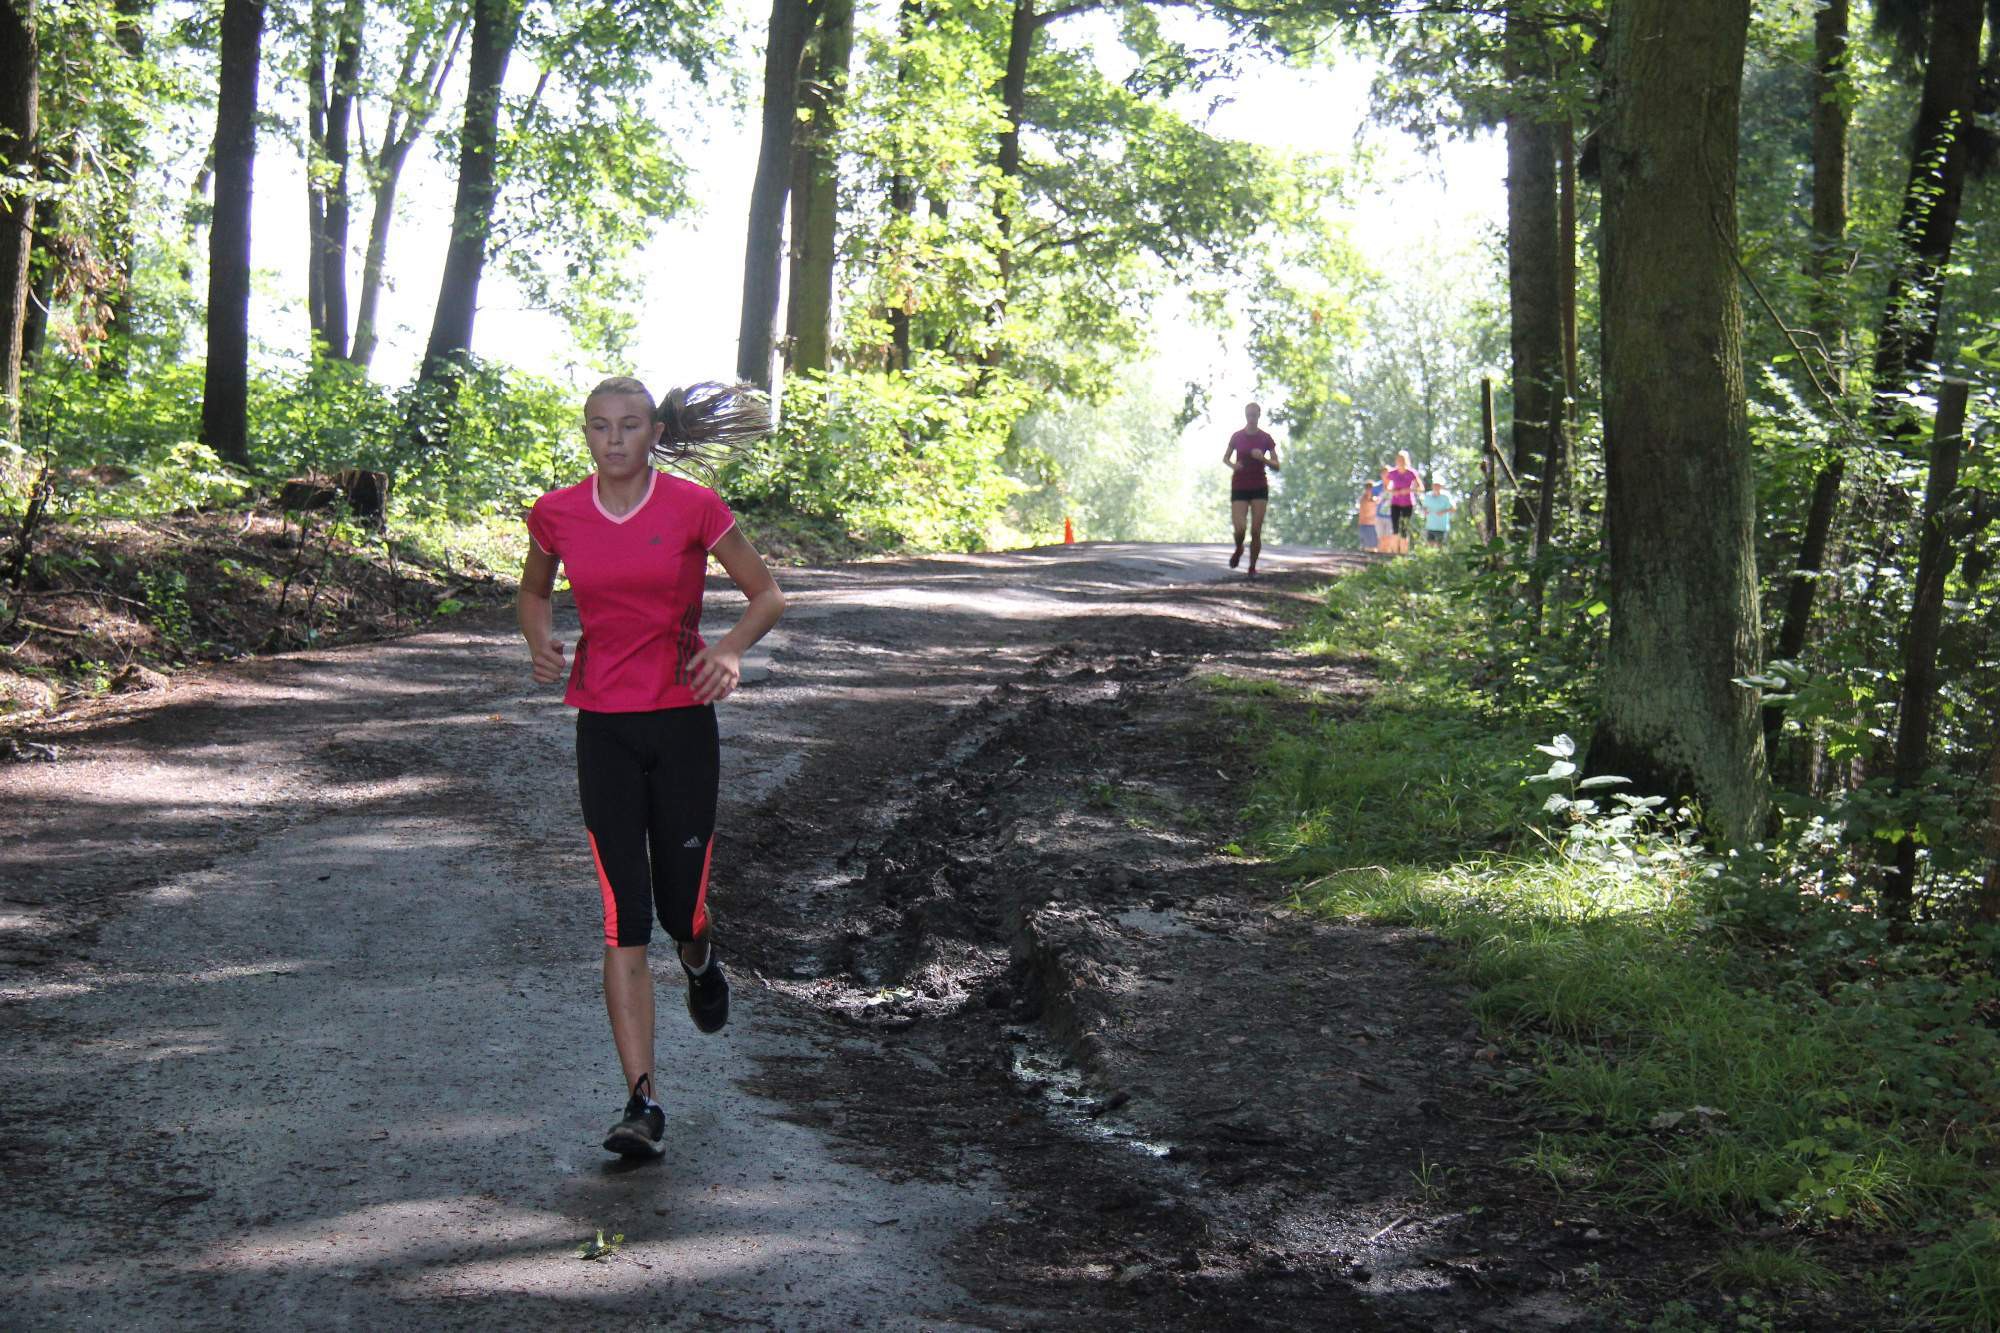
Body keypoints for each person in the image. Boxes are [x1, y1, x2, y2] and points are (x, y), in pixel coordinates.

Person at [518, 376, 787, 1159]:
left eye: (629, 425)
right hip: (603, 726)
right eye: (599, 426)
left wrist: (728, 650)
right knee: (622, 915)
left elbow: (767, 595)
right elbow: (533, 592)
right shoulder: (557, 513)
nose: (613, 439)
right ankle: (642, 1102)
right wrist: (537, 639)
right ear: (587, 433)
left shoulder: (693, 507)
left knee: (680, 909)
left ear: (654, 432)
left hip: (681, 724)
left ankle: (700, 958)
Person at [1223, 402, 1280, 576]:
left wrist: (1263, 458)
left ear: (1259, 415)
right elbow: (1225, 458)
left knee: (1256, 530)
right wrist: (1234, 466)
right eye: (1249, 415)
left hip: (1259, 486)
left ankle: (1252, 567)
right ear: (1245, 415)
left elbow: (1277, 465)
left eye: (1254, 415)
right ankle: (1239, 547)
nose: (1251, 418)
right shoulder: (1237, 436)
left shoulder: (1266, 438)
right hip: (1239, 485)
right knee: (1240, 529)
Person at [1385, 451, 1422, 544]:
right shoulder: (1392, 473)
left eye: (1402, 459)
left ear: (1406, 460)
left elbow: (1420, 488)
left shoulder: (1411, 473)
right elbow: (1386, 487)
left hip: (1408, 503)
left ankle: (1403, 549)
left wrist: (1409, 490)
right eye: (1399, 459)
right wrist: (1393, 491)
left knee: (1404, 528)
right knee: (1395, 527)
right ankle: (1395, 549)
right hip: (1395, 503)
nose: (1400, 461)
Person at [1422, 477, 1457, 545]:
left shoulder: (1446, 496)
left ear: (1441, 486)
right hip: (1430, 527)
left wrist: (1443, 512)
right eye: (1435, 485)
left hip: (1442, 528)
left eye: (1438, 485)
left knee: (1440, 547)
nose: (1436, 487)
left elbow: (1454, 508)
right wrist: (1425, 511)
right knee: (1430, 547)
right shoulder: (1428, 495)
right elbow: (1424, 507)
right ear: (1432, 485)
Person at [1356, 485, 1380, 552]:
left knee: (1373, 546)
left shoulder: (1375, 499)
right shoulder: (1362, 498)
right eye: (1367, 488)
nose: (1369, 490)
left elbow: (1378, 501)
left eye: (1370, 489)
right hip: (1363, 523)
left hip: (1371, 524)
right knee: (1364, 545)